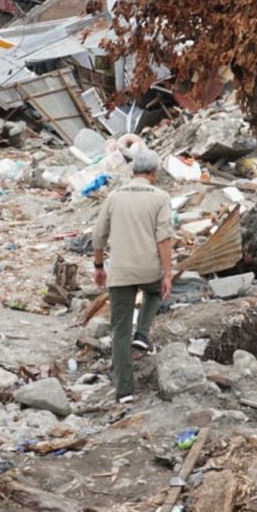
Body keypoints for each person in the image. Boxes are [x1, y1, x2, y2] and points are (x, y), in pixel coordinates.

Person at [92, 150, 175, 402]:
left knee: (119, 329)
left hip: (120, 272)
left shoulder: (114, 197)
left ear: (133, 172)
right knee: (154, 291)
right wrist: (168, 274)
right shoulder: (161, 197)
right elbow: (164, 238)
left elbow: (98, 235)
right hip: (148, 268)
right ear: (153, 173)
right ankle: (143, 334)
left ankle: (124, 391)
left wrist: (98, 266)